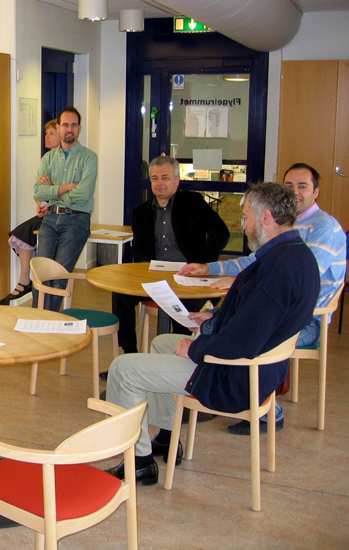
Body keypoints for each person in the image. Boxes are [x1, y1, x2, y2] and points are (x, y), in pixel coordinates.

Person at [105, 182, 319, 485]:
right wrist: (214, 316)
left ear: (266, 217)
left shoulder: (277, 268)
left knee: (123, 369)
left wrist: (195, 348)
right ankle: (167, 438)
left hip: (235, 374)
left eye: (246, 218)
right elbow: (256, 314)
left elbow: (243, 340)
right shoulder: (293, 255)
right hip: (257, 367)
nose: (243, 226)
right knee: (162, 342)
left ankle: (137, 463)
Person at [179, 163, 346, 434]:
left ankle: (253, 402)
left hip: (305, 320)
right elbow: (254, 262)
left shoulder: (324, 228)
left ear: (316, 192)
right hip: (283, 313)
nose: (295, 192)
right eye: (289, 186)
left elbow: (296, 282)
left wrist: (247, 284)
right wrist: (210, 268)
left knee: (223, 332)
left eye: (302, 186)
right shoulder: (285, 229)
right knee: (222, 324)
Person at [111, 156, 229, 360]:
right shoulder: (141, 212)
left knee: (184, 308)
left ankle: (176, 358)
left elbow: (221, 233)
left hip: (188, 275)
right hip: (155, 275)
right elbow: (139, 249)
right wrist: (144, 268)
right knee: (120, 293)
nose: (159, 183)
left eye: (165, 178)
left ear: (176, 180)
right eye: (155, 178)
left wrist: (202, 263)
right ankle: (130, 353)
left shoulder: (193, 203)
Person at [32, 106, 98, 311]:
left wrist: (55, 192)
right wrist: (67, 187)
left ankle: (49, 322)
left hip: (76, 220)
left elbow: (84, 193)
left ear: (79, 128)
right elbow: (38, 191)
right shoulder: (48, 159)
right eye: (66, 125)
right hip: (50, 219)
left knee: (58, 277)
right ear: (59, 127)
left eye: (74, 125)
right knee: (41, 274)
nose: (70, 129)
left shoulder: (89, 157)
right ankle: (37, 321)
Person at [5, 120, 60, 301]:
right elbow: (38, 190)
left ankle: (28, 281)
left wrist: (50, 198)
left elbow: (63, 192)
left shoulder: (65, 162)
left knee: (24, 233)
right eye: (46, 133)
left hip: (61, 213)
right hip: (47, 210)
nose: (47, 137)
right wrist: (40, 204)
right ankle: (25, 280)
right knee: (20, 234)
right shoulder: (46, 159)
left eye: (51, 133)